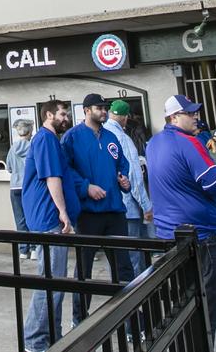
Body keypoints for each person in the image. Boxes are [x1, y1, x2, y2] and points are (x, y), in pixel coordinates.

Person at [145, 94, 216, 342]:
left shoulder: (153, 143)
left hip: (168, 235)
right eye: (190, 113)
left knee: (182, 304)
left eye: (195, 113)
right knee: (208, 307)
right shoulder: (188, 142)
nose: (196, 117)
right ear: (173, 117)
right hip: (198, 236)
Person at [62, 93, 132, 324]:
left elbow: (122, 164)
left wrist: (124, 181)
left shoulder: (111, 136)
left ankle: (130, 319)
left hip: (115, 211)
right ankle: (79, 320)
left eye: (105, 108)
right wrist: (85, 187)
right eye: (99, 108)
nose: (103, 111)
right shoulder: (72, 138)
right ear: (86, 110)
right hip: (88, 213)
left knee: (123, 268)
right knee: (84, 270)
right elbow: (64, 170)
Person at [21, 101, 80, 352]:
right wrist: (63, 212)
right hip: (49, 218)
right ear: (48, 115)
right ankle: (35, 341)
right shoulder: (45, 139)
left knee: (56, 281)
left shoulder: (52, 139)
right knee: (52, 281)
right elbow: (51, 177)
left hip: (50, 217)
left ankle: (52, 337)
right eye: (63, 114)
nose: (66, 117)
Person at [103, 99, 153, 276]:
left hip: (108, 206)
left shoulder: (100, 134)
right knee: (133, 255)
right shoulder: (122, 138)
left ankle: (119, 295)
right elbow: (133, 175)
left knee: (117, 255)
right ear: (125, 118)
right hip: (128, 208)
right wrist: (146, 206)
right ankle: (137, 297)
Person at [5, 118, 33, 257]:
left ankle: (23, 250)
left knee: (20, 219)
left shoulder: (12, 148)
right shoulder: (33, 147)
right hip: (29, 186)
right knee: (32, 217)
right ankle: (34, 248)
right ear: (30, 131)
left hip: (14, 187)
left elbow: (9, 168)